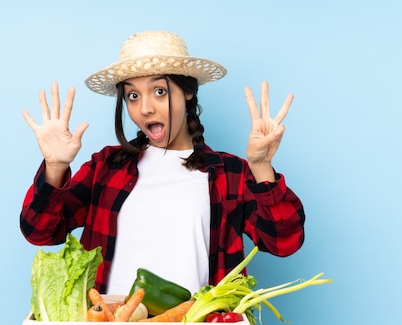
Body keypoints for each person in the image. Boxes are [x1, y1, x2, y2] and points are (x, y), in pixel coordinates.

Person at [20, 31, 305, 295]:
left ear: (188, 92)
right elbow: (40, 231)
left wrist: (261, 167)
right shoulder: (106, 168)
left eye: (159, 91)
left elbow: (283, 242)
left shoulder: (228, 174)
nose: (144, 108)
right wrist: (55, 166)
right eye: (133, 95)